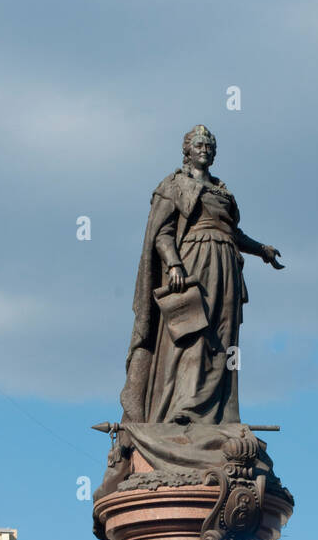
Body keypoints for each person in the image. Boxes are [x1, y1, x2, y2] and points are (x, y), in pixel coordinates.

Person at [121, 124, 283, 425]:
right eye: (199, 145)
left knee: (223, 338)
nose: (205, 150)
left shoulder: (221, 190)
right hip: (193, 263)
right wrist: (174, 265)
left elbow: (232, 232)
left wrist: (262, 250)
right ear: (187, 150)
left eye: (209, 146)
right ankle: (182, 407)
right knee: (192, 333)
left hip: (226, 267)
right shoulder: (174, 185)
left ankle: (220, 413)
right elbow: (162, 233)